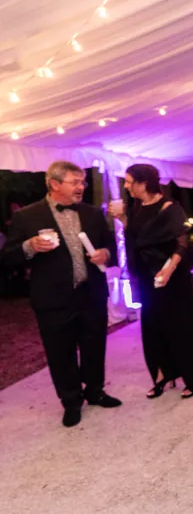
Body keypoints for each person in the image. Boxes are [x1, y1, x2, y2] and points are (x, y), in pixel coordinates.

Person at [0, 161, 121, 427]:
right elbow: (7, 257)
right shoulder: (27, 216)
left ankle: (95, 391)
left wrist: (106, 254)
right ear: (54, 184)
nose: (81, 187)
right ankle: (71, 401)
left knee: (94, 346)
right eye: (74, 182)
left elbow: (110, 245)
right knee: (60, 352)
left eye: (83, 182)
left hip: (91, 294)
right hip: (52, 299)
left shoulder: (92, 213)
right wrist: (29, 246)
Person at [109, 164, 193, 399]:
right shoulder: (135, 208)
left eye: (129, 181)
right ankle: (163, 374)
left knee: (180, 324)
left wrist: (169, 269)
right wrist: (122, 218)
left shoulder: (169, 207)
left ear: (143, 183)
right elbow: (138, 237)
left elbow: (182, 241)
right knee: (153, 325)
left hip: (172, 275)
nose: (126, 186)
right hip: (146, 275)